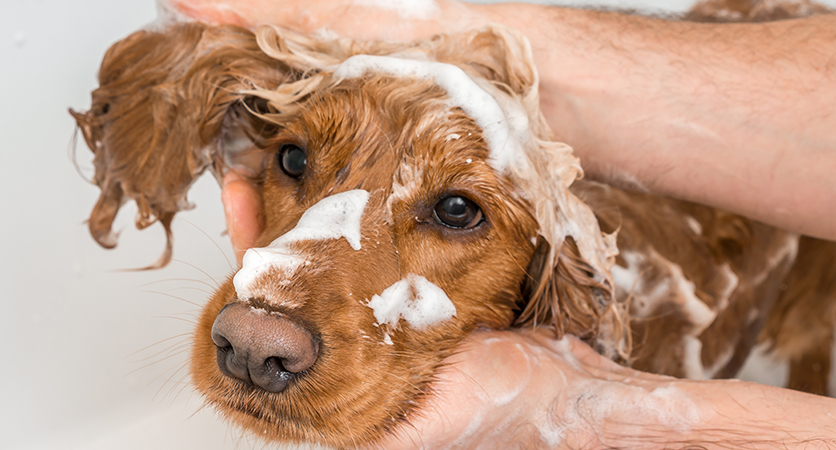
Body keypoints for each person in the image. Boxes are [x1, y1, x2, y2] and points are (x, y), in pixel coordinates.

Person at [174, 0, 836, 447]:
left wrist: (565, 405)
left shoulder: (593, 295)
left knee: (815, 333)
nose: (254, 335)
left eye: (457, 210)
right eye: (295, 160)